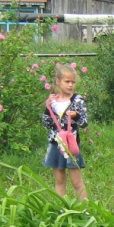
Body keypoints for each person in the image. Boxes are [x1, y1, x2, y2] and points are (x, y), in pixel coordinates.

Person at [42, 64, 88, 201]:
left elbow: (84, 123)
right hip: (55, 144)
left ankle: (84, 210)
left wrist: (76, 116)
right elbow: (46, 124)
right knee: (59, 179)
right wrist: (47, 108)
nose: (70, 85)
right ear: (58, 81)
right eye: (67, 81)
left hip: (71, 146)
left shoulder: (77, 100)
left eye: (73, 82)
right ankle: (61, 209)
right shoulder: (53, 101)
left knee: (77, 182)